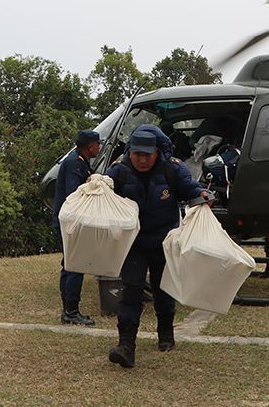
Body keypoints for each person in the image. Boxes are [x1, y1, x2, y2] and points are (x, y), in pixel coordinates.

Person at [105, 124, 209, 368]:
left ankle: (166, 333)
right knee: (131, 289)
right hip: (134, 243)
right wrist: (94, 185)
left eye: (147, 155)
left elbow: (191, 190)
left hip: (165, 240)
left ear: (156, 152)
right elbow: (104, 189)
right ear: (130, 151)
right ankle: (126, 345)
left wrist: (203, 195)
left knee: (164, 291)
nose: (141, 160)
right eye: (136, 154)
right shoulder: (119, 172)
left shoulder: (172, 169)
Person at [53, 129, 102, 326]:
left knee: (69, 265)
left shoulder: (79, 160)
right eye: (98, 144)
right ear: (90, 146)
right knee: (75, 265)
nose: (99, 147)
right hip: (70, 223)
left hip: (67, 221)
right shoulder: (75, 163)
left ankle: (68, 310)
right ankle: (71, 312)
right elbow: (75, 193)